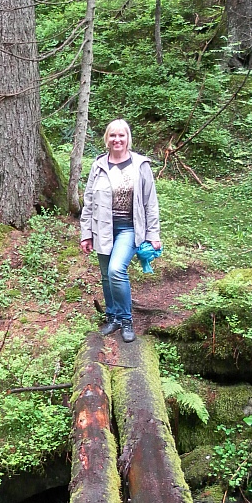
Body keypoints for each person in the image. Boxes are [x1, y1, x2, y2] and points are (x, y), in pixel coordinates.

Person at [79, 119, 162, 342]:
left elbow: (150, 202)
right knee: (107, 276)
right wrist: (86, 234)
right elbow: (89, 202)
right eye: (113, 135)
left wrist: (153, 234)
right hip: (102, 228)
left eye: (121, 135)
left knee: (116, 270)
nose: (117, 139)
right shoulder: (98, 166)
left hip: (129, 228)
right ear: (107, 138)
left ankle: (126, 320)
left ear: (128, 138)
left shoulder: (140, 165)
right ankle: (112, 317)